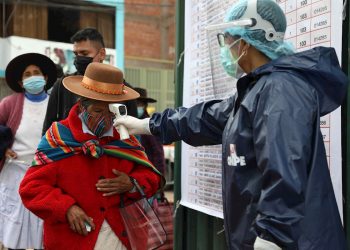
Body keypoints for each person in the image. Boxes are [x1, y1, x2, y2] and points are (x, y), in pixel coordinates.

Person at [114, 0, 348, 249]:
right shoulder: (257, 89)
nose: (225, 49)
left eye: (227, 41)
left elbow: (286, 167)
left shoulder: (281, 89)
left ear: (245, 43)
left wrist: (272, 236)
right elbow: (203, 117)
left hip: (291, 242)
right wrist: (147, 125)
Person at [19, 62, 164, 250]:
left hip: (122, 237)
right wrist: (66, 208)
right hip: (71, 240)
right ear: (82, 106)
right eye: (98, 111)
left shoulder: (126, 138)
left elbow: (153, 178)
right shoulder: (59, 137)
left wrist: (131, 182)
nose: (106, 118)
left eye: (111, 111)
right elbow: (31, 188)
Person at [0, 53, 57, 249]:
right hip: (15, 173)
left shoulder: (55, 105)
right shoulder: (9, 104)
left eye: (36, 73)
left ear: (46, 78)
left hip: (45, 173)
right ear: (21, 81)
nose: (33, 77)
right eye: (27, 74)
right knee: (15, 223)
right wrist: (4, 148)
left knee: (42, 223)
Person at [42, 27, 137, 134]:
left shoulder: (123, 91)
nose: (79, 58)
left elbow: (133, 132)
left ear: (102, 54)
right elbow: (48, 127)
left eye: (84, 53)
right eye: (76, 54)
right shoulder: (63, 85)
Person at [135, 87, 166, 178]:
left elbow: (158, 153)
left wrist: (158, 179)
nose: (137, 107)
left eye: (139, 104)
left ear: (145, 106)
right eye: (135, 104)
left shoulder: (149, 125)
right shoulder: (127, 123)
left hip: (148, 176)